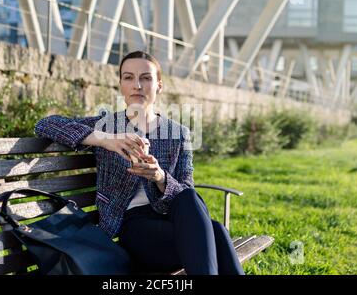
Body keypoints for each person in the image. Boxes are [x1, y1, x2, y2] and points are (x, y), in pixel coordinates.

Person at [34, 51, 244, 275]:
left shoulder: (178, 133)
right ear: (121, 85)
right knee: (217, 233)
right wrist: (106, 141)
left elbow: (186, 189)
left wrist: (159, 177)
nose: (137, 85)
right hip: (132, 228)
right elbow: (45, 124)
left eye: (146, 78)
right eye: (128, 77)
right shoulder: (107, 125)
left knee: (193, 202)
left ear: (158, 85)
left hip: (171, 221)